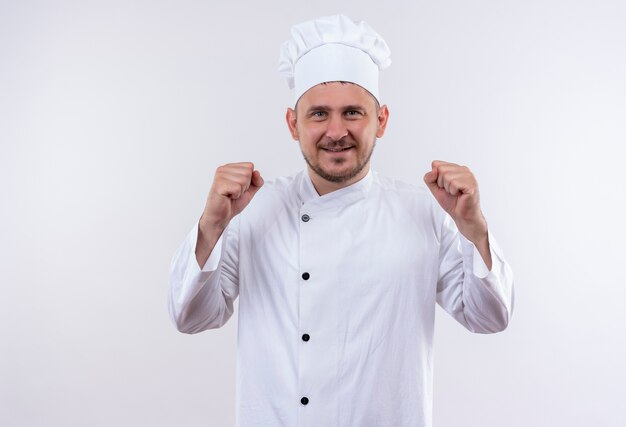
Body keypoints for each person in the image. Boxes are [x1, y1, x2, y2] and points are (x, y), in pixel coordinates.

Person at [169, 14, 514, 427]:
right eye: (318, 114)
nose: (336, 131)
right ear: (292, 124)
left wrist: (474, 231)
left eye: (353, 112)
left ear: (381, 121)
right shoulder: (252, 210)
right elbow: (190, 317)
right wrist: (210, 227)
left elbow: (490, 318)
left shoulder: (424, 213)